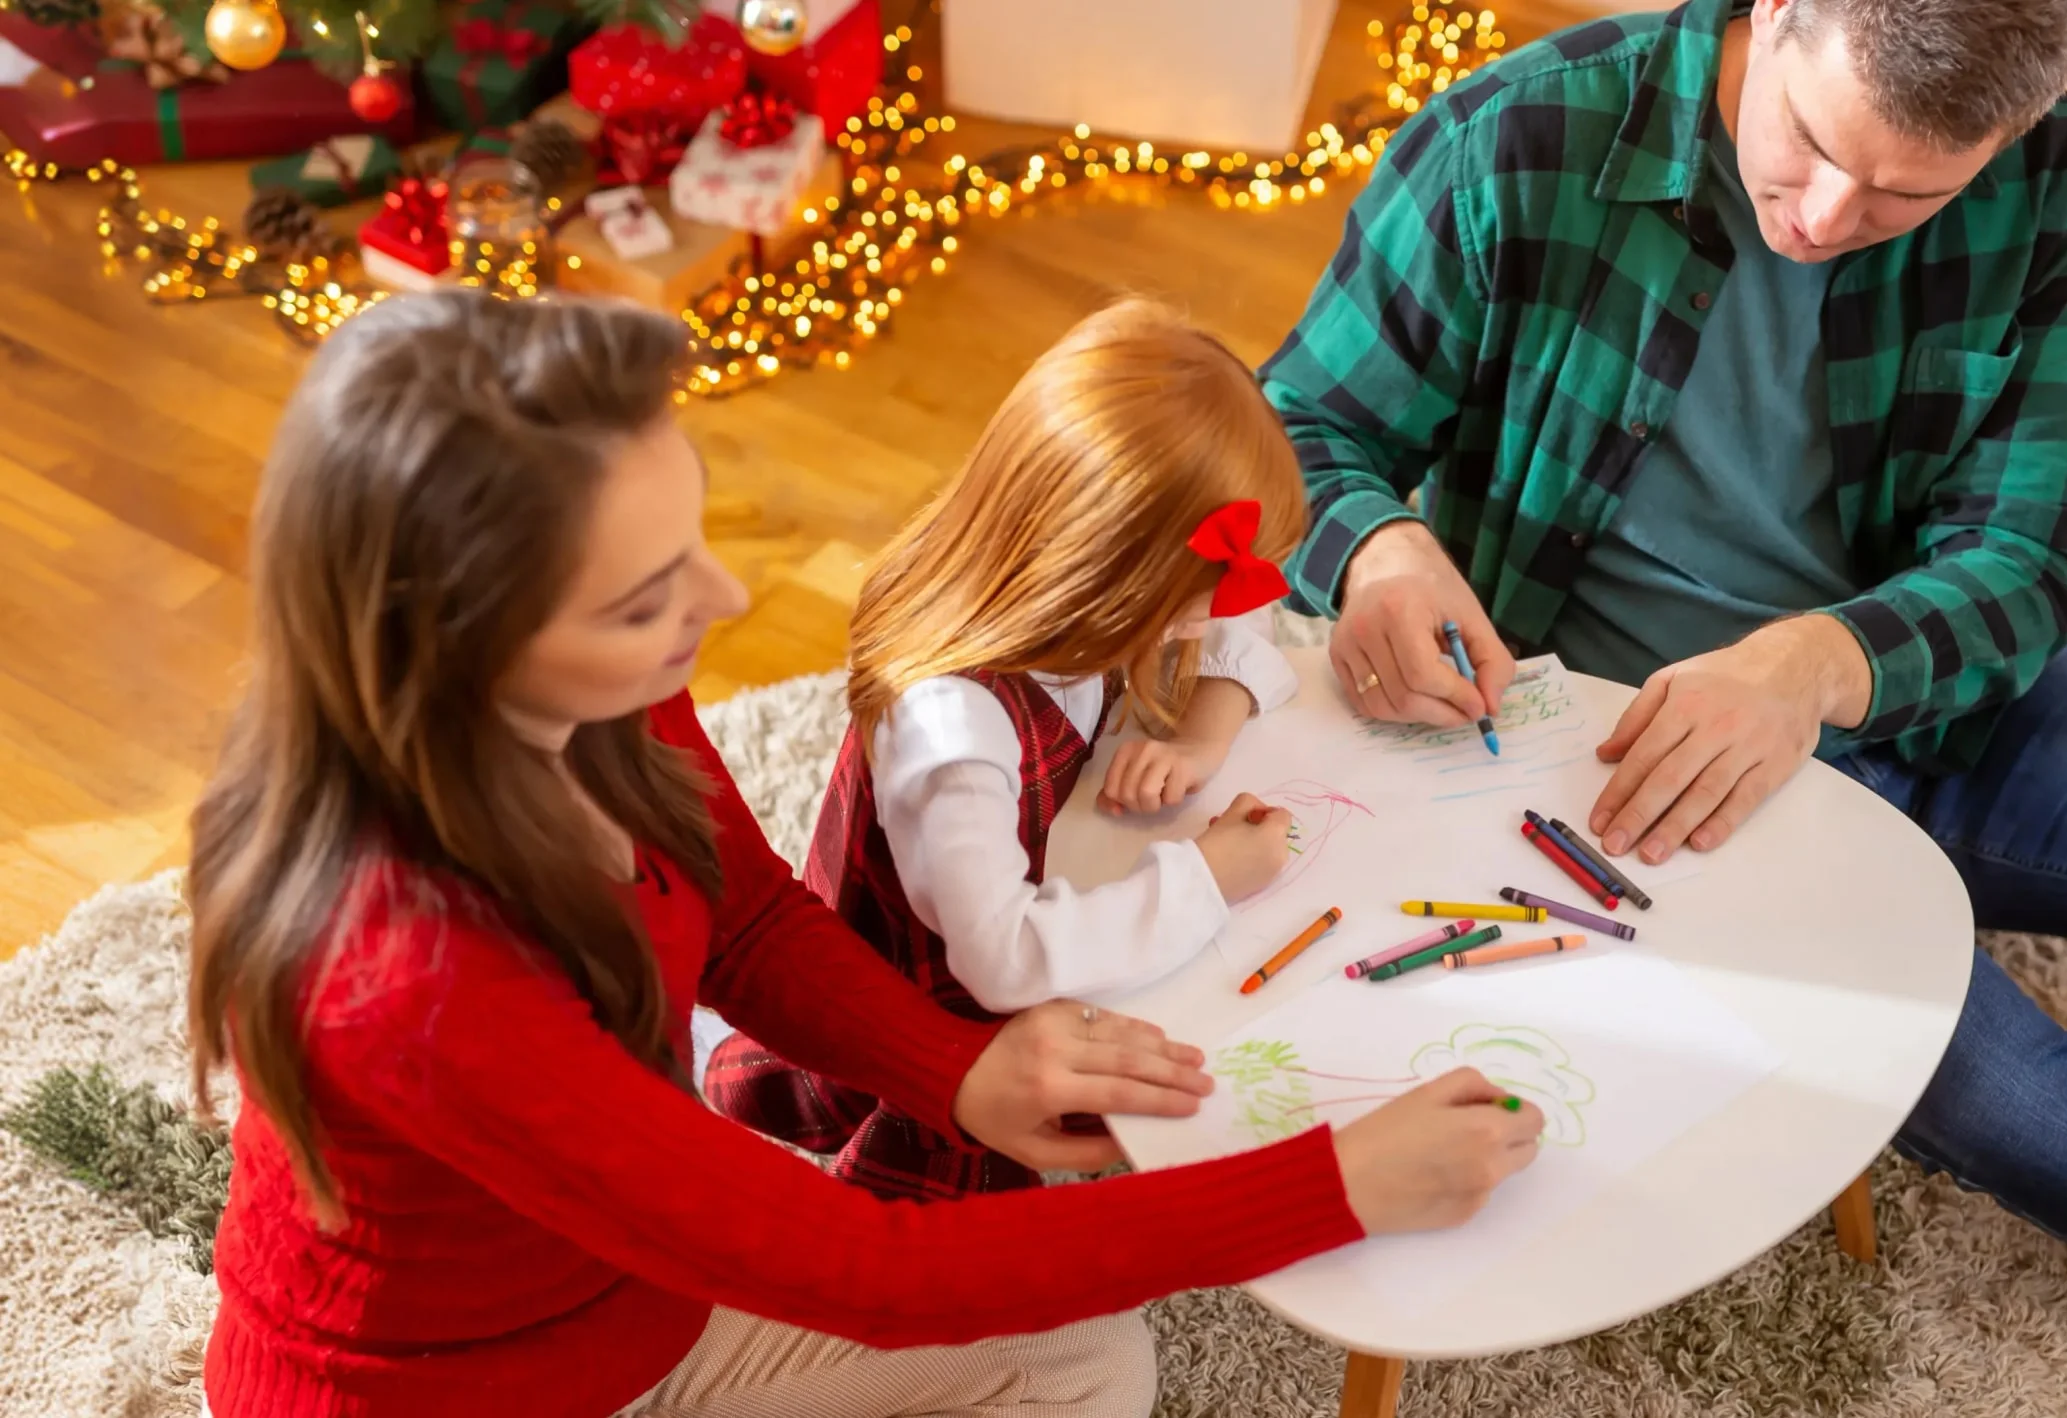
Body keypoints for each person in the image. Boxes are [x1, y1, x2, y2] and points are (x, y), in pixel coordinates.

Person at [1259, 0, 2067, 1410]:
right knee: (2028, 1108)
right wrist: (1379, 544)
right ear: (1781, 13)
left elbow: (2026, 561)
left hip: (1929, 690)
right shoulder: (1520, 135)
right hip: (1638, 776)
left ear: (2016, 129)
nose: (1827, 215)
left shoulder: (2053, 180)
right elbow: (1302, 426)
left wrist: (1813, 667)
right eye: (1807, 146)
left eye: (1912, 194)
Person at [185, 289, 1545, 1418]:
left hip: (630, 1304)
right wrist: (1333, 1185)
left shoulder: (588, 699)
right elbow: (867, 1268)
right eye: (649, 595)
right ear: (465, 639)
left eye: (691, 544)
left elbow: (751, 920)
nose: (718, 607)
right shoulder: (406, 979)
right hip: (476, 1391)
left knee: (1087, 1364)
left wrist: (956, 1070)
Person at [706, 300, 1313, 1202]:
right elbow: (999, 959)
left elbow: (1249, 614)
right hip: (941, 994)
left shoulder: (1060, 604)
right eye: (1195, 605)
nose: (1214, 623)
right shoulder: (955, 733)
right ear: (1107, 580)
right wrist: (1204, 878)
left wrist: (1204, 727)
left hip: (1027, 870)